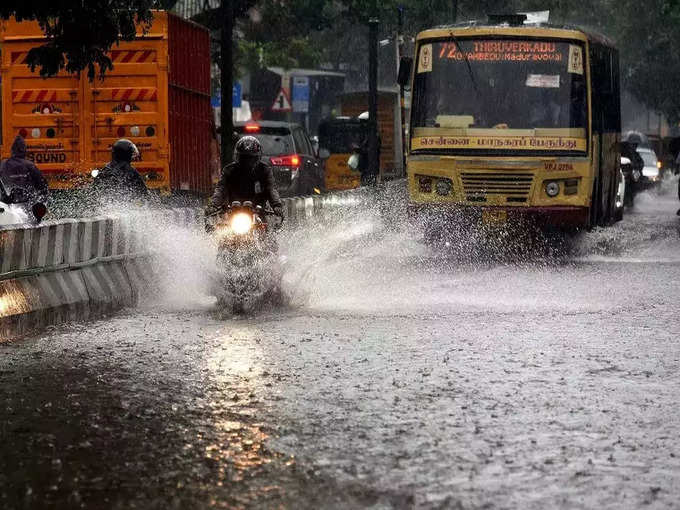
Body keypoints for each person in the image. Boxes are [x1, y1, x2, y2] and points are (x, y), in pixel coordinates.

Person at [206, 135, 283, 220]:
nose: (247, 162)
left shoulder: (264, 170)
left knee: (265, 227)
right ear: (238, 156)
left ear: (257, 157)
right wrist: (213, 205)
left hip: (258, 212)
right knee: (220, 229)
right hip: (232, 211)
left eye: (251, 158)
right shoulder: (229, 170)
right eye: (244, 158)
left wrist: (277, 205)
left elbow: (271, 188)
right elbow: (221, 189)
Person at [0, 135, 49, 219]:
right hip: (27, 206)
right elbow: (43, 186)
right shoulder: (30, 165)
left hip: (6, 206)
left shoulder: (3, 164)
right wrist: (43, 200)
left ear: (12, 151)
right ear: (24, 151)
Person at [92, 138, 148, 206]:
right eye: (131, 152)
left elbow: (94, 190)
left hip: (107, 207)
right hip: (128, 207)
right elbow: (144, 192)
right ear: (127, 154)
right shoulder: (130, 171)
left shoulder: (106, 169)